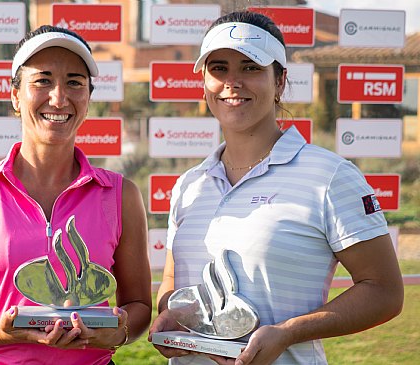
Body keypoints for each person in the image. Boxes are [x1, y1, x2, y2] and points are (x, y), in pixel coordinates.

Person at [149, 11, 403, 365]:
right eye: (218, 68)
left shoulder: (330, 175)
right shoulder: (189, 185)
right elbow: (173, 281)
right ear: (204, 82)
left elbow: (385, 292)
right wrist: (171, 316)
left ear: (280, 81)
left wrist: (290, 332)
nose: (232, 82)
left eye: (251, 67)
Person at [0, 25, 152, 365]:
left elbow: (140, 305)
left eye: (74, 82)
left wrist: (119, 331)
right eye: (42, 81)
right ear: (15, 96)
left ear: (88, 98)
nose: (58, 97)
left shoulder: (120, 195)